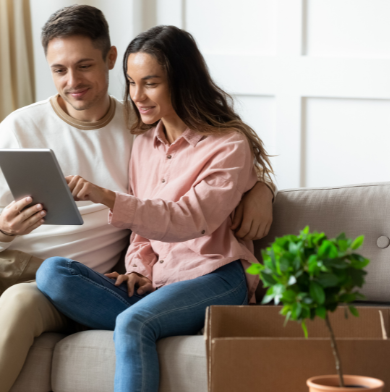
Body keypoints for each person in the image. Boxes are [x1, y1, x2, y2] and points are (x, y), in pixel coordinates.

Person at [0, 6, 275, 392]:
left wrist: (261, 188)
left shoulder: (135, 127)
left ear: (109, 59)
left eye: (84, 65)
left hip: (66, 274)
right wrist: (0, 228)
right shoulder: (27, 125)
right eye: (59, 70)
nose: (72, 81)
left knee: (23, 302)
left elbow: (204, 180)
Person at [36, 25, 273, 392]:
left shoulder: (228, 145)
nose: (137, 96)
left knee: (134, 324)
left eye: (150, 83)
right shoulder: (144, 143)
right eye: (131, 83)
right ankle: (167, 318)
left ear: (181, 81)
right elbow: (142, 230)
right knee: (53, 273)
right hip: (159, 285)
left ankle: (154, 320)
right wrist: (138, 269)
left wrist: (108, 197)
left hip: (216, 276)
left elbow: (191, 219)